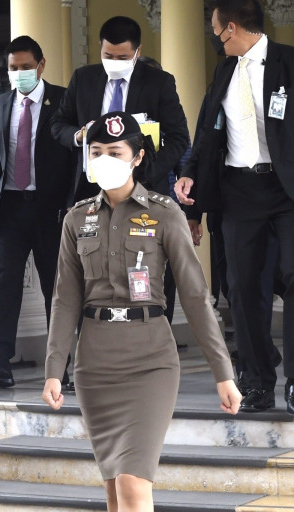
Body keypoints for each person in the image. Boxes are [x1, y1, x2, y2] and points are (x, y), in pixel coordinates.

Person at [42, 111, 241, 511]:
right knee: (115, 489)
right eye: (96, 152)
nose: (104, 159)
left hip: (151, 362)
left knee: (133, 484)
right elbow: (65, 299)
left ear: (137, 157)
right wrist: (53, 368)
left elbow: (195, 295)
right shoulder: (77, 219)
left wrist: (223, 373)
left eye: (115, 152)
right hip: (95, 366)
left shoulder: (164, 213)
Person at [175, 0, 294, 413]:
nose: (213, 36)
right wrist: (191, 182)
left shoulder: (288, 62)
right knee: (242, 288)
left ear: (231, 28)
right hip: (239, 191)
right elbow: (206, 134)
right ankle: (257, 381)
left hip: (288, 191)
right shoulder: (224, 71)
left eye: (215, 29)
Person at [0, 36, 73, 388]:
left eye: (26, 67)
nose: (19, 73)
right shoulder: (1, 104)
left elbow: (74, 161)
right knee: (7, 287)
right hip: (11, 209)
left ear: (41, 65)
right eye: (13, 68)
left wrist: (71, 206)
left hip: (51, 210)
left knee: (55, 288)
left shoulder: (63, 100)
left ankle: (61, 367)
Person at [51, 15, 190, 206]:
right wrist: (79, 136)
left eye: (123, 57)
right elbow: (58, 123)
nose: (114, 62)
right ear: (100, 46)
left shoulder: (158, 82)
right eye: (108, 56)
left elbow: (179, 136)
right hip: (91, 187)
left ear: (138, 51)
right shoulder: (83, 78)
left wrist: (148, 170)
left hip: (143, 186)